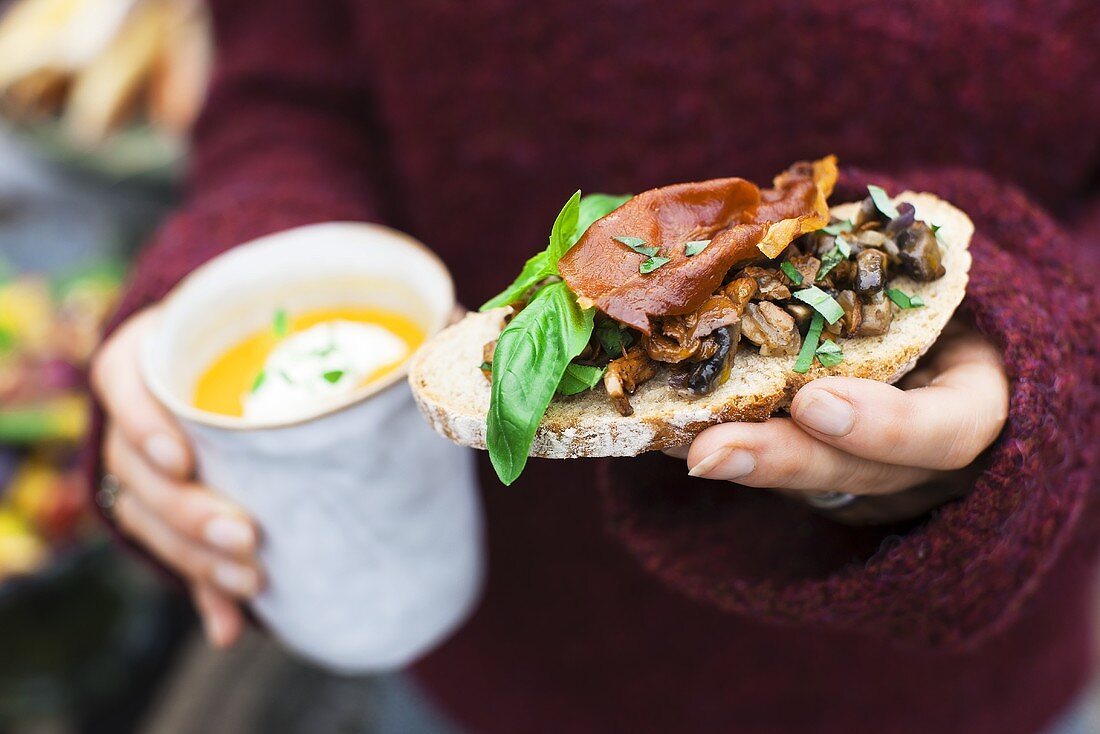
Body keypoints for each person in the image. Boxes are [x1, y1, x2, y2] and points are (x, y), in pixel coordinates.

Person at [87, 1, 1100, 732]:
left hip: (945, 696)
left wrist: (1049, 357)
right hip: (494, 659)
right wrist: (233, 279)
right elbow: (292, 84)